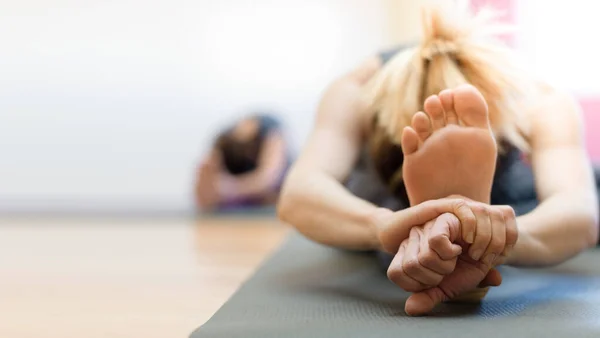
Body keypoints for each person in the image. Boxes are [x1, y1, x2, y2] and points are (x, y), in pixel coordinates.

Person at [277, 5, 600, 316]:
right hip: (391, 201)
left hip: (499, 207)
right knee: (380, 203)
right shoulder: (359, 89)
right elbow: (301, 193)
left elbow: (578, 210)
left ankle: (462, 225)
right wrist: (386, 226)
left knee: (557, 193)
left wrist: (492, 234)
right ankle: (455, 227)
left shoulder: (539, 98)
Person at [195, 113, 290, 211]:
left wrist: (229, 188)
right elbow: (204, 200)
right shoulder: (223, 142)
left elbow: (268, 179)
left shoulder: (270, 129)